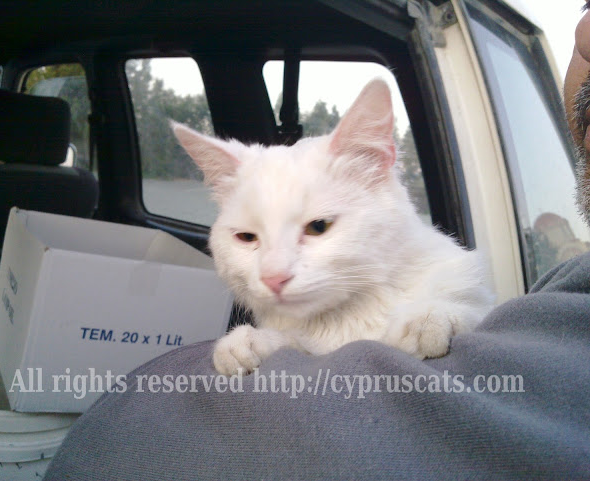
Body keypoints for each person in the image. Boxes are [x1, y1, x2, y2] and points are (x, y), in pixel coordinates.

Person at [45, 12, 590, 481]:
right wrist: (277, 343)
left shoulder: (454, 290)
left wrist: (452, 314)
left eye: (319, 226)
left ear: (378, 173)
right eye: (247, 237)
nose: (274, 272)